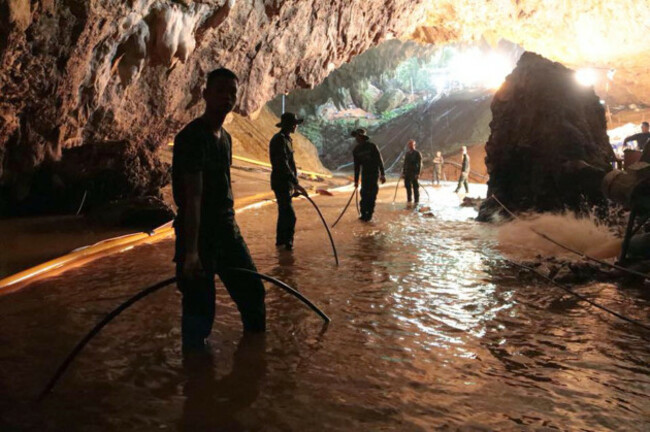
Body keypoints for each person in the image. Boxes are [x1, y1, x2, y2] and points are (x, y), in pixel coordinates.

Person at [172, 68, 266, 352]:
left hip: (227, 229)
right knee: (200, 313)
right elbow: (193, 197)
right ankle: (197, 381)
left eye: (232, 92)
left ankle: (254, 363)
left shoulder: (225, 138)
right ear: (205, 95)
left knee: (253, 293)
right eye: (221, 90)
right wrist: (191, 253)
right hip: (199, 234)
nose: (227, 97)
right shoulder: (192, 137)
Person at [269, 112, 307, 251]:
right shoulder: (279, 140)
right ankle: (288, 245)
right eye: (294, 123)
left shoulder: (287, 139)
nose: (296, 126)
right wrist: (296, 183)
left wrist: (294, 185)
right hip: (281, 182)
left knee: (284, 213)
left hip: (286, 182)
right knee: (290, 216)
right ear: (289, 125)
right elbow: (282, 164)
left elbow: (290, 164)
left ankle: (280, 243)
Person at [352, 128, 386, 221]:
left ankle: (369, 214)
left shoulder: (372, 146)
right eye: (356, 136)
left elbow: (380, 160)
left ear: (362, 137)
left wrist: (382, 174)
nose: (356, 138)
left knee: (372, 195)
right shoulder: (356, 150)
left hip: (374, 174)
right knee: (363, 194)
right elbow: (357, 167)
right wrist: (355, 181)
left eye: (358, 136)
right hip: (365, 175)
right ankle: (363, 214)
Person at [402, 140, 422, 204]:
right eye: (409, 144)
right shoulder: (407, 154)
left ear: (414, 145)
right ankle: (409, 200)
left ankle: (416, 201)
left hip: (414, 173)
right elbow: (405, 164)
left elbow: (420, 164)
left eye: (412, 144)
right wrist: (403, 173)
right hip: (407, 173)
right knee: (408, 187)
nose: (411, 146)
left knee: (415, 187)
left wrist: (418, 173)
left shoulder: (417, 153)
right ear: (408, 146)